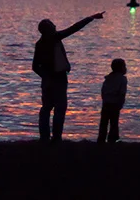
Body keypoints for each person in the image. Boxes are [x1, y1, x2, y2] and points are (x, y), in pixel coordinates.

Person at [31, 12, 104, 143]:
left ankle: (45, 137)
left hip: (50, 79)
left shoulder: (40, 43)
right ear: (48, 29)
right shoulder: (54, 38)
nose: (55, 27)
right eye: (53, 26)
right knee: (58, 108)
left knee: (47, 108)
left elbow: (35, 66)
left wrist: (45, 76)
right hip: (57, 78)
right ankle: (55, 137)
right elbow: (74, 28)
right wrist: (91, 17)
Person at [98, 58, 128, 143]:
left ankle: (101, 138)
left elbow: (103, 91)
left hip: (106, 103)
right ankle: (112, 138)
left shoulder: (108, 78)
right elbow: (122, 92)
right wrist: (121, 102)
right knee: (114, 122)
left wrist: (104, 100)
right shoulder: (122, 79)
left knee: (104, 122)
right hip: (115, 103)